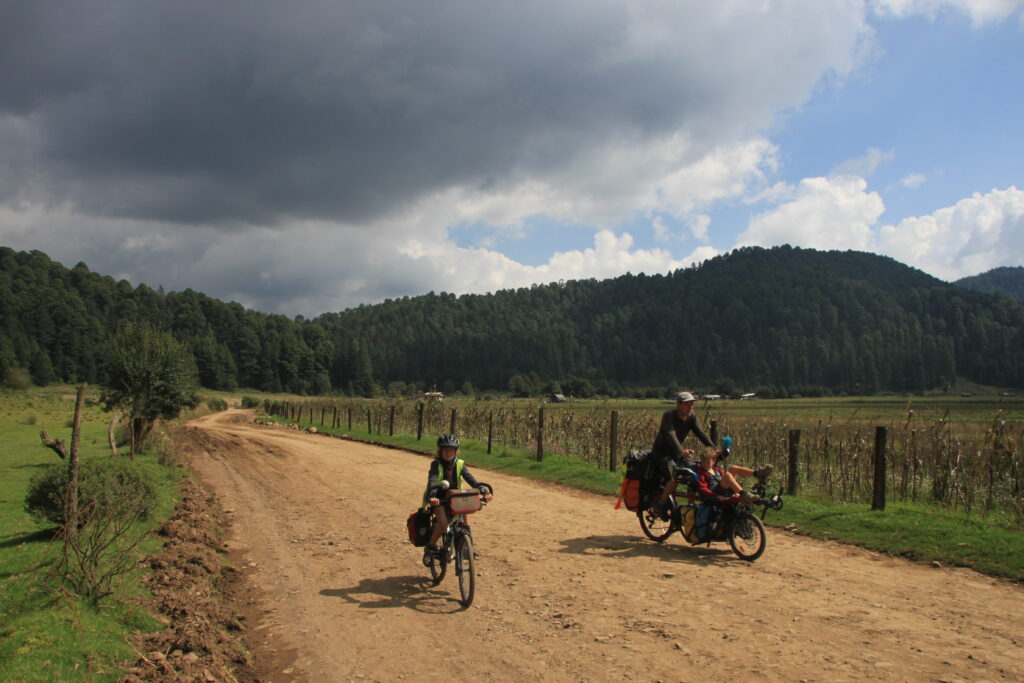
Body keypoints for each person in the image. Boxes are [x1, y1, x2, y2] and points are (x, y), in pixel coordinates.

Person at [422, 433, 491, 565]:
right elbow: (432, 481)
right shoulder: (436, 464)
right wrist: (432, 497)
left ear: (456, 451)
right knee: (443, 523)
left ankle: (466, 547)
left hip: (456, 498)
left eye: (451, 450)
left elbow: (471, 479)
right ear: (440, 451)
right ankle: (430, 547)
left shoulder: (460, 464)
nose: (448, 453)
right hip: (439, 498)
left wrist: (483, 490)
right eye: (445, 450)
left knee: (465, 522)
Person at [648, 391, 714, 514]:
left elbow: (700, 434)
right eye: (687, 404)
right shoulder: (669, 416)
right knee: (676, 475)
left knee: (694, 473)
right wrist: (681, 451)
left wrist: (714, 450)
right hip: (661, 455)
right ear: (678, 404)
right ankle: (661, 504)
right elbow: (670, 434)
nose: (690, 407)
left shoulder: (691, 417)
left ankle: (691, 507)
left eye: (692, 404)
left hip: (676, 455)